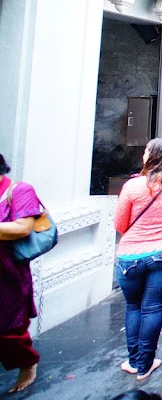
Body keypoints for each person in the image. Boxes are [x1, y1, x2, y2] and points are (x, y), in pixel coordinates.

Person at [113, 138, 162, 381]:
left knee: (134, 307)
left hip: (131, 256)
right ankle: (146, 363)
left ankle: (135, 361)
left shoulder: (132, 187)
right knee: (153, 307)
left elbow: (120, 224)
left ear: (151, 156)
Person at [0, 153, 41, 394]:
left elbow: (23, 227)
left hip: (7, 273)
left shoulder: (20, 190)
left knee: (9, 327)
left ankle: (27, 361)